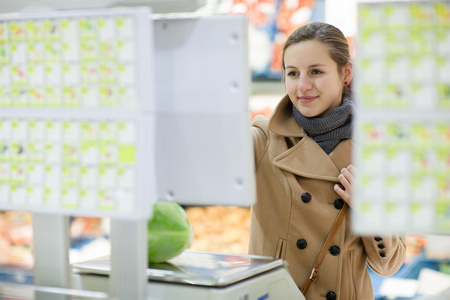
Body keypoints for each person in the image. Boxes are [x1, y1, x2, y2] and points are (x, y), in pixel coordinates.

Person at [248, 22, 407, 300]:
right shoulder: (263, 139)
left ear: (345, 73)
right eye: (293, 73)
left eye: (316, 72)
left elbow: (388, 265)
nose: (302, 86)